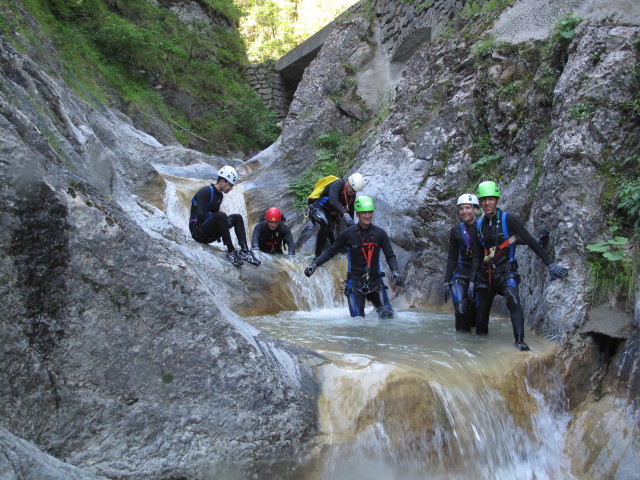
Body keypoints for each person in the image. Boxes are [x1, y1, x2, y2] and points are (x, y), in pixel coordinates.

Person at [468, 181, 569, 351]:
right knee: (481, 313)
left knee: (514, 301)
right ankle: (481, 343)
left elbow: (529, 241)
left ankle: (520, 341)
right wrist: (472, 281)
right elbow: (477, 256)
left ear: (497, 200)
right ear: (479, 202)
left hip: (506, 272)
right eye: (483, 199)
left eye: (490, 199)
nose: (487, 203)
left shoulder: (509, 220)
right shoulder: (478, 225)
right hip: (486, 276)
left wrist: (550, 265)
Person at [304, 195, 403, 318]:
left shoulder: (380, 234)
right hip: (355, 283)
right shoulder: (348, 234)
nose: (367, 216)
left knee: (388, 316)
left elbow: (390, 255)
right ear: (357, 213)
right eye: (364, 213)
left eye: (370, 212)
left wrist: (395, 271)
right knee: (357, 321)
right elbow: (331, 251)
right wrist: (314, 264)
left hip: (376, 281)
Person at [189, 165, 261, 267]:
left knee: (237, 217)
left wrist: (218, 221)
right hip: (198, 232)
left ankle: (244, 250)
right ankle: (231, 250)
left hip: (209, 233)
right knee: (221, 216)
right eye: (230, 185)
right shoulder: (205, 191)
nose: (231, 188)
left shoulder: (220, 195)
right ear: (222, 181)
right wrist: (216, 218)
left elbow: (216, 217)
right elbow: (200, 214)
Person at [443, 193, 480, 332]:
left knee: (475, 314)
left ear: (475, 209)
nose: (464, 212)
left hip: (478, 275)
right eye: (461, 209)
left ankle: (474, 346)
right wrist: (446, 281)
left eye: (467, 208)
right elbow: (452, 256)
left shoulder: (483, 226)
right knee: (460, 309)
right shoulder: (456, 230)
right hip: (461, 274)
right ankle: (461, 343)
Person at [308, 172, 365, 258]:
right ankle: (317, 255)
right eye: (352, 190)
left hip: (331, 214)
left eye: (355, 191)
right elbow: (333, 201)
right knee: (325, 224)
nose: (353, 193)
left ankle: (334, 252)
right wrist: (345, 214)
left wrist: (353, 226)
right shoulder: (337, 184)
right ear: (348, 183)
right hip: (317, 209)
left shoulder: (352, 194)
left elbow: (351, 210)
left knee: (335, 237)